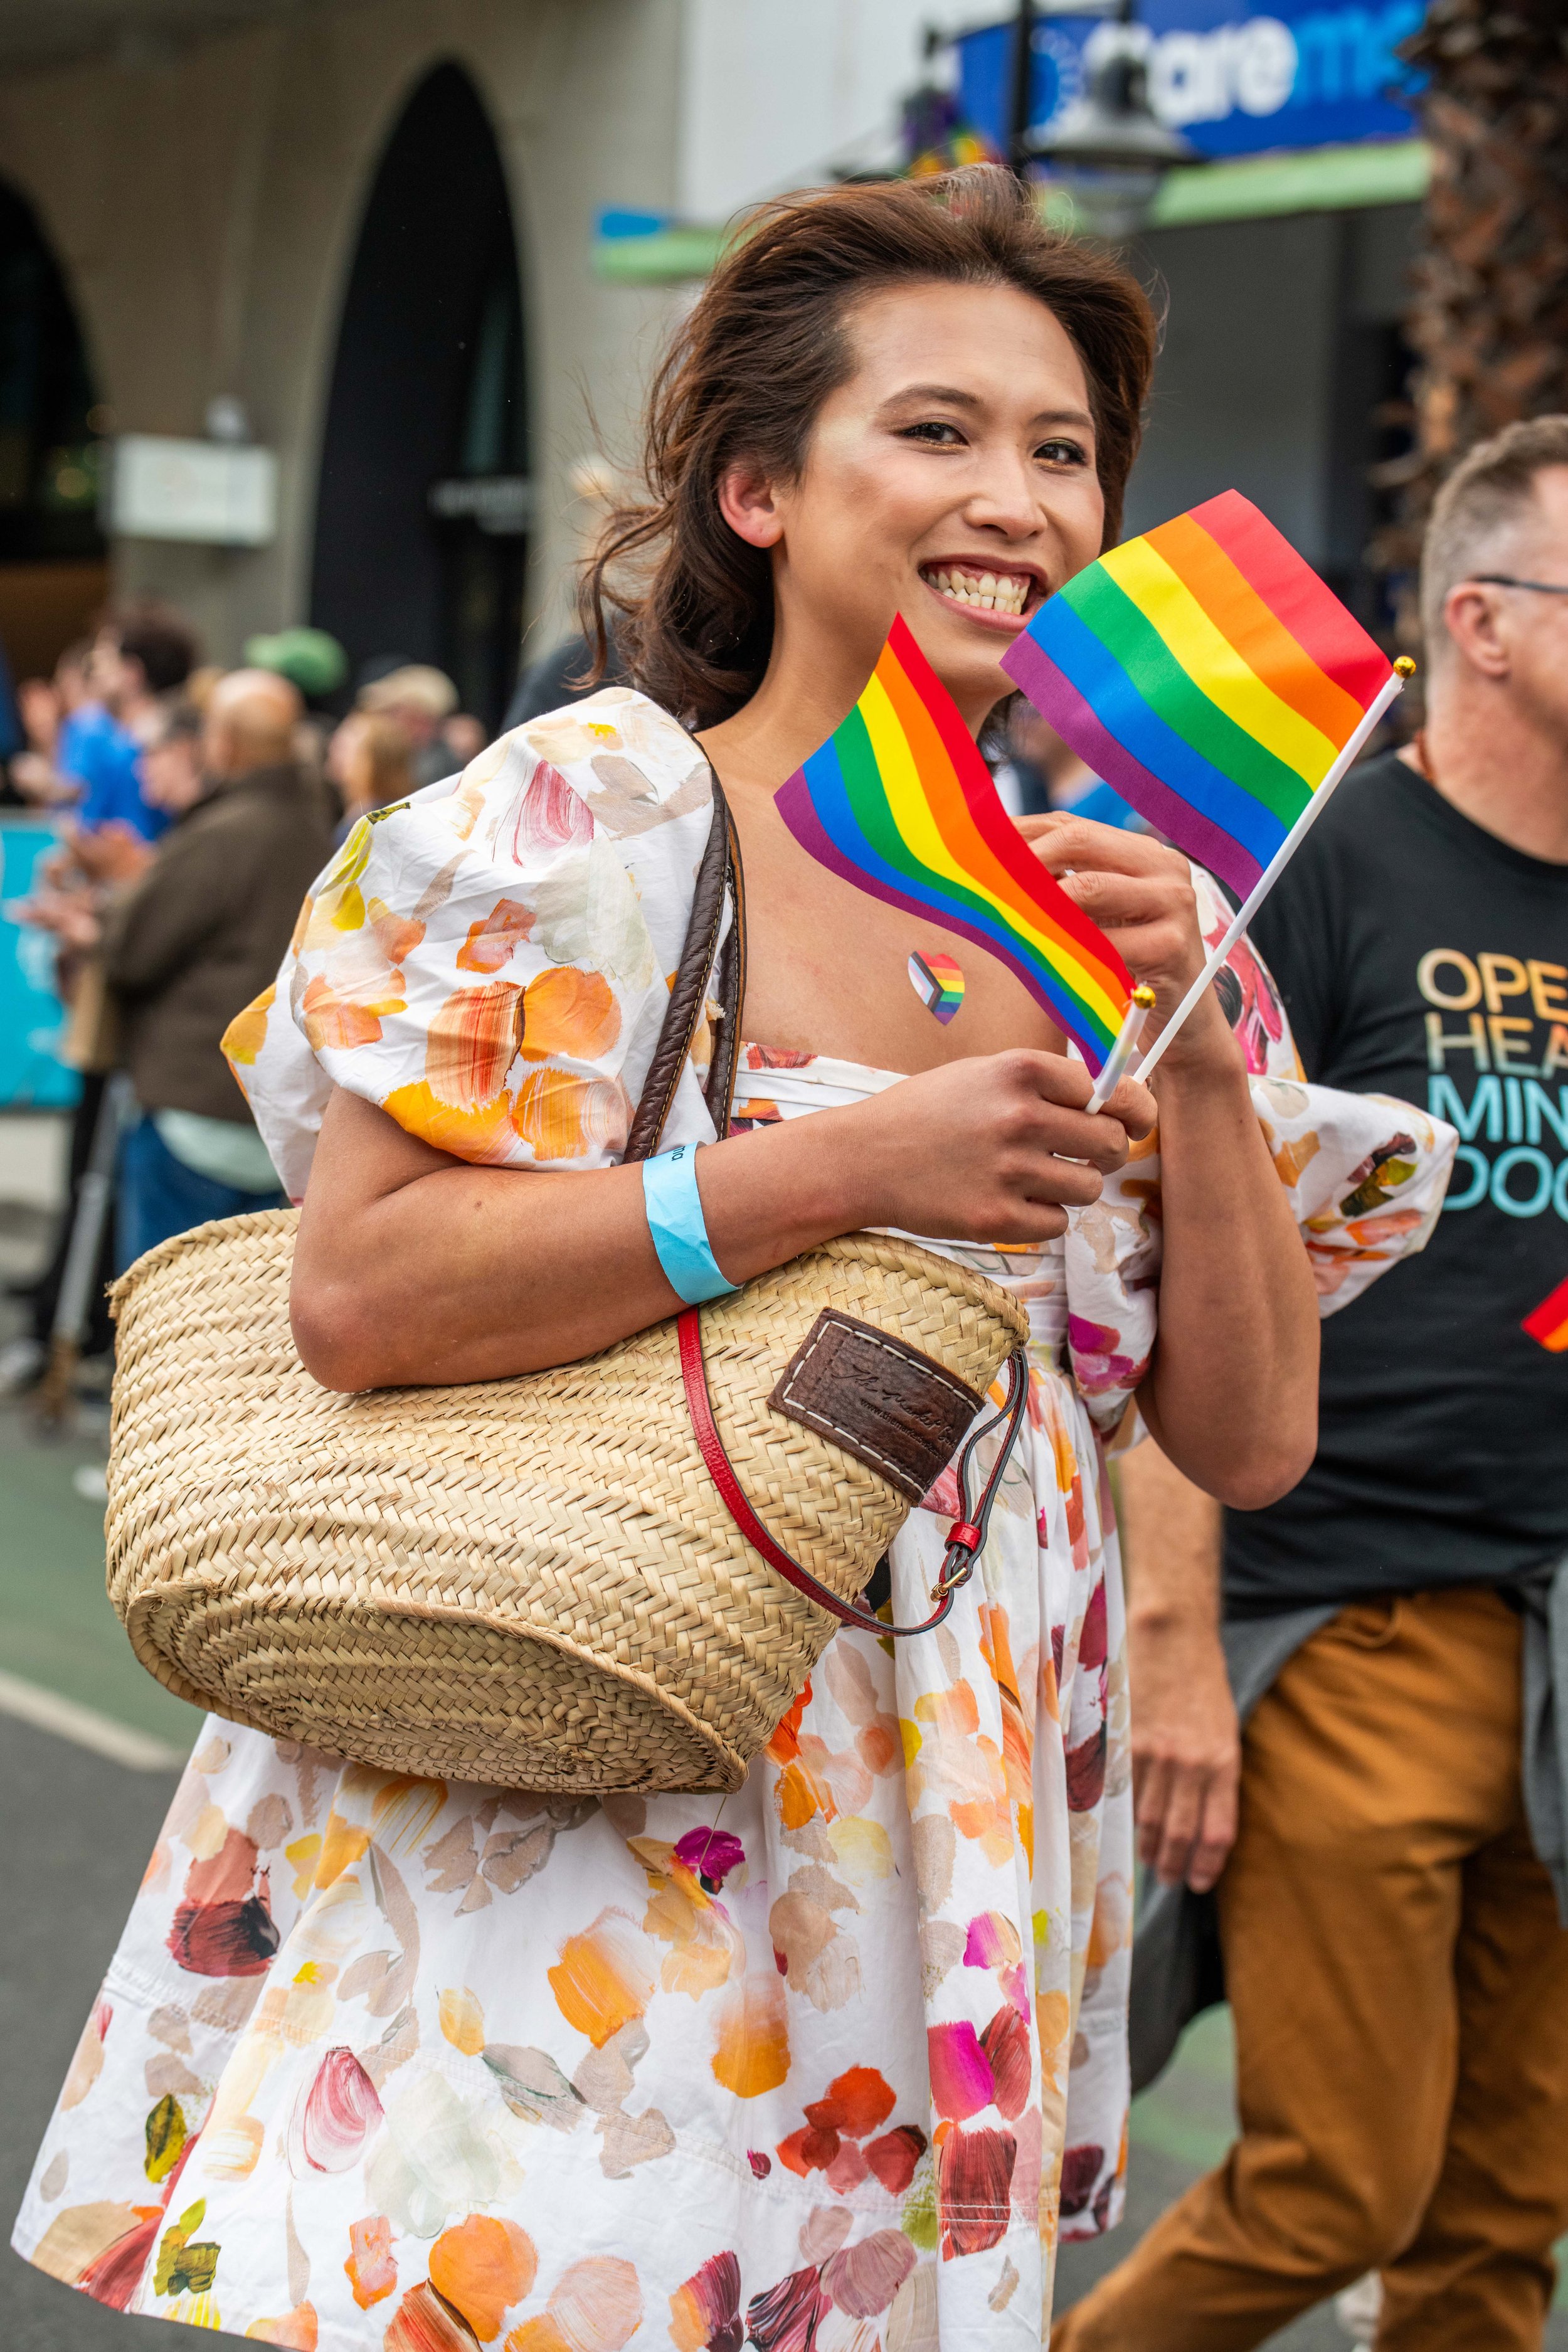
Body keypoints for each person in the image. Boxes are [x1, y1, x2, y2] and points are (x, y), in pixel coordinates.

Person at [14, 169, 1445, 2349]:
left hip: (947, 1815)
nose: (1020, 501)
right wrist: (849, 1167)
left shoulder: (1122, 915)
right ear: (761, 491)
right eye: (940, 432)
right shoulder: (597, 815)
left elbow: (1244, 1437)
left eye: (1064, 452)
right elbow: (361, 1293)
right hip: (610, 1739)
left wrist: (1218, 1081)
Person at [1050, 418, 1568, 2351]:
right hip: (1341, 1612)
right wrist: (1174, 1632)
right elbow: (1168, 1251)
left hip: (1549, 1610)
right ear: (1481, 624)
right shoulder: (1312, 864)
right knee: (1335, 2175)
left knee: (1502, 2205)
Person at [100, 667, 336, 1264]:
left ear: (224, 744)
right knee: (240, 1330)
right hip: (279, 1115)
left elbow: (132, 955)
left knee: (163, 1310)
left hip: (193, 1107)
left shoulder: (222, 833)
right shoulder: (321, 833)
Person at [57, 602, 199, 840]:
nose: (94, 668)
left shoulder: (133, 752)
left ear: (132, 673)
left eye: (105, 657)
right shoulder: (124, 740)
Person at [357, 659, 461, 786]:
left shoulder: (432, 768)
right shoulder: (414, 759)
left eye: (395, 711)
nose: (386, 721)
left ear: (421, 718)